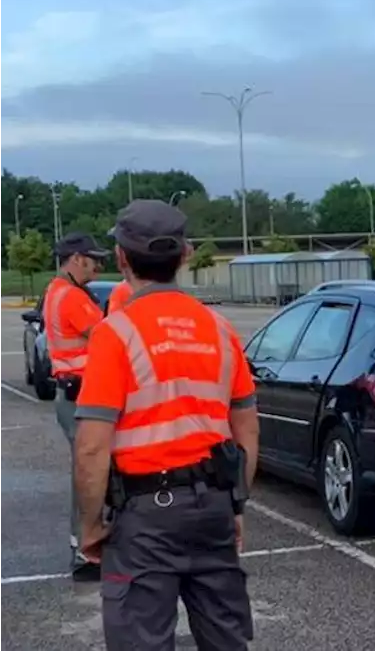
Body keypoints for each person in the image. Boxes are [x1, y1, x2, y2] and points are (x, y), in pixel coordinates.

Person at [71, 200, 260, 649]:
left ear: (120, 258)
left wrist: (92, 523)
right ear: (186, 255)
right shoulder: (220, 329)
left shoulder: (115, 333)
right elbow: (247, 431)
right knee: (226, 639)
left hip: (144, 515)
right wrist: (234, 505)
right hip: (212, 505)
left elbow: (92, 447)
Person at [42, 232, 111, 581]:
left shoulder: (57, 291)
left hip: (73, 397)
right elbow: (109, 339)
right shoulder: (72, 298)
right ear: (75, 259)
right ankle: (88, 553)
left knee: (89, 474)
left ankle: (88, 547)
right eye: (93, 258)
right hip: (82, 398)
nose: (98, 264)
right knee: (91, 476)